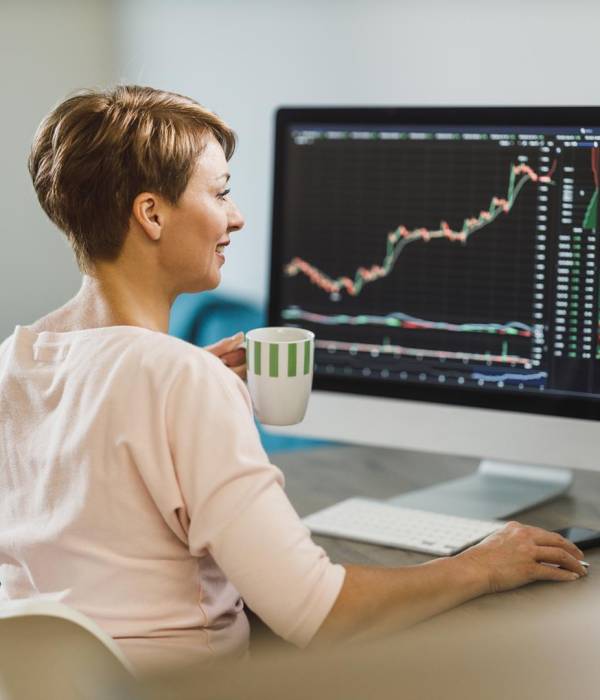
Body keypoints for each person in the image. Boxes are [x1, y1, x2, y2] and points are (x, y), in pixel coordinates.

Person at [0, 85, 587, 673]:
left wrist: (179, 379)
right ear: (151, 214)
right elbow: (318, 614)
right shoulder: (179, 381)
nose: (236, 216)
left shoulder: (17, 361)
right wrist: (482, 565)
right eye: (220, 192)